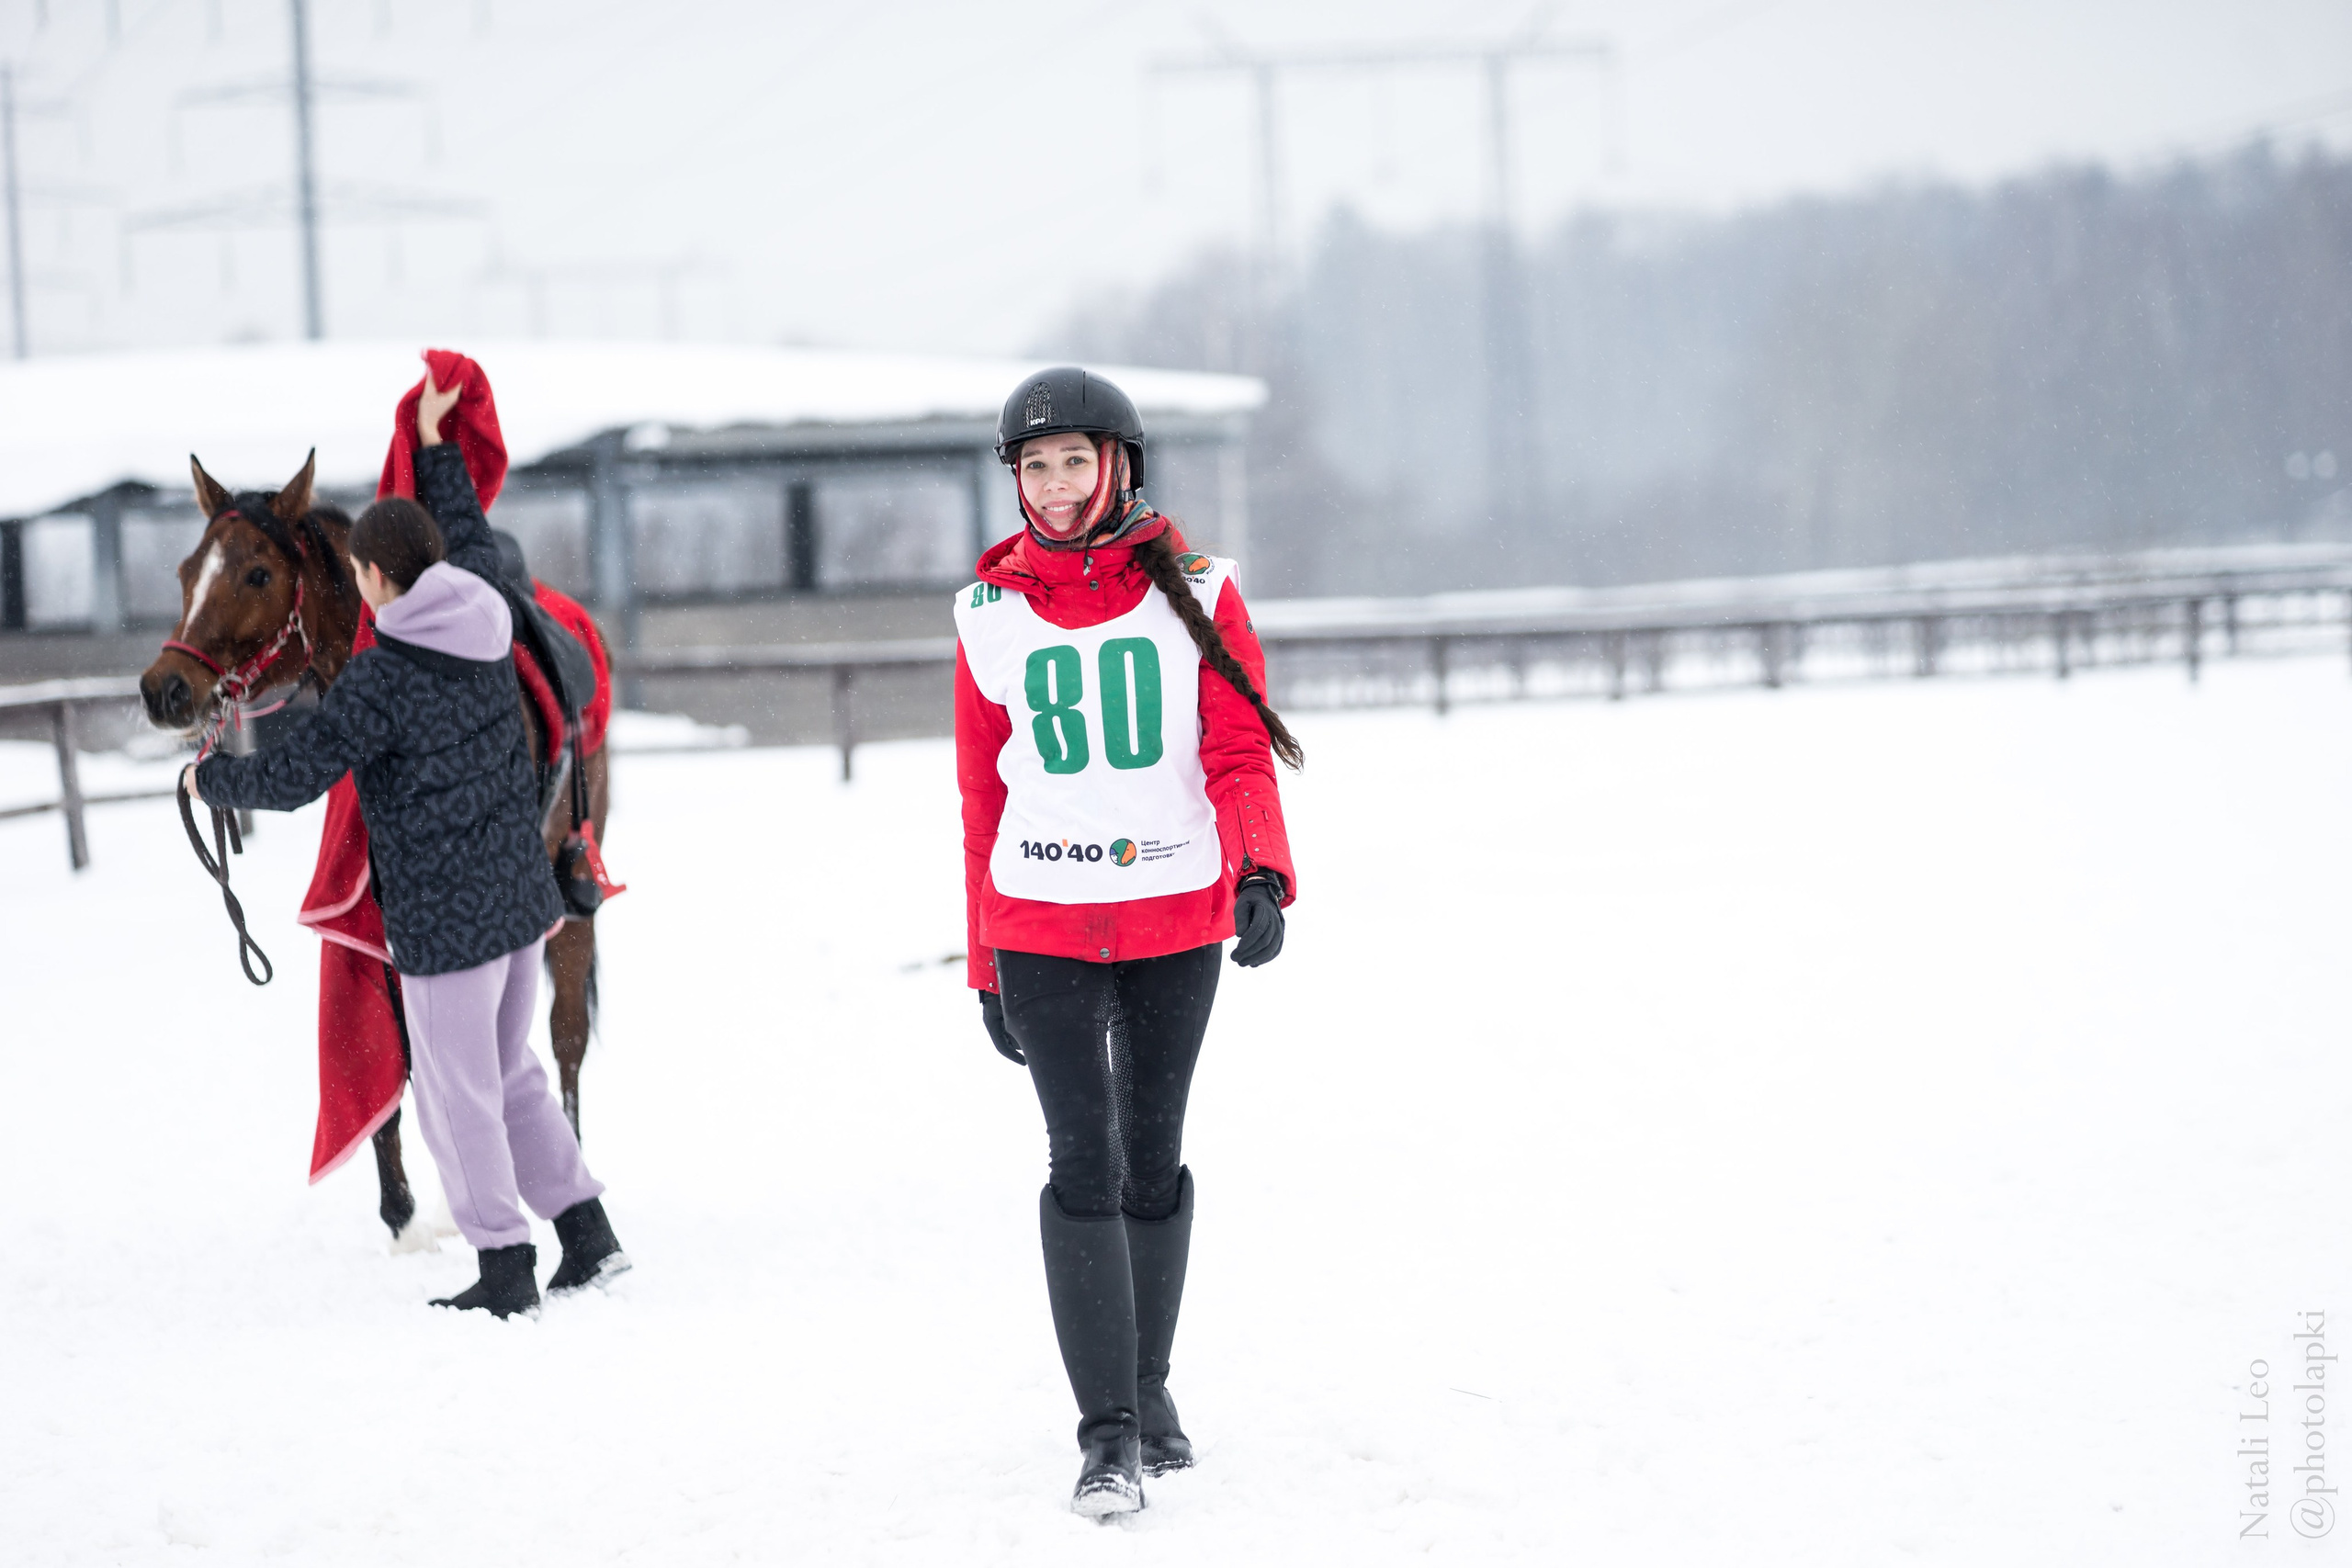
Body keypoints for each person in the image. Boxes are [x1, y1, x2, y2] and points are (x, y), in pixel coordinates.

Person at [182, 371, 628, 1319]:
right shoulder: (490, 618)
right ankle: (586, 1234)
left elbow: (292, 778)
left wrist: (206, 777)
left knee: (457, 1099)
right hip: (519, 913)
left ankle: (504, 1265)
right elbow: (464, 529)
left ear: (373, 580)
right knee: (510, 1078)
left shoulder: (380, 685)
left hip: (444, 935)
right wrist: (434, 449)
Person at [956, 367, 1303, 1515]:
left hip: (1174, 919)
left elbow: (1239, 750)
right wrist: (985, 960)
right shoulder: (986, 613)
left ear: (1121, 467)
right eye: (1034, 467)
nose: (1053, 488)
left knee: (1152, 1159)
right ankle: (1103, 1435)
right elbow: (979, 798)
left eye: (1073, 463)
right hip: (1041, 924)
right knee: (1081, 1164)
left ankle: (1150, 1394)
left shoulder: (1200, 590)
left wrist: (1261, 866)